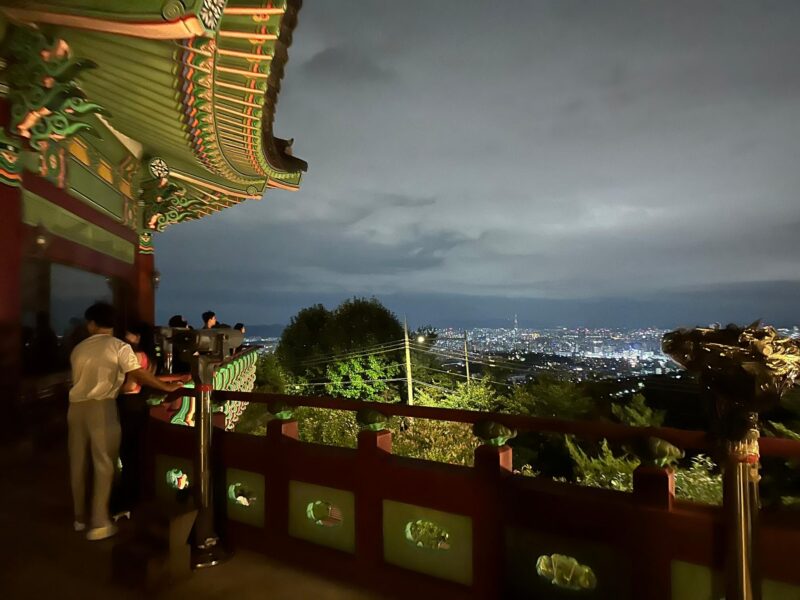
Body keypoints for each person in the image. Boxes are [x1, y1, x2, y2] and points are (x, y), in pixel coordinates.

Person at [68, 302, 182, 541]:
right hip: (102, 407)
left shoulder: (78, 349)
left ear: (91, 324)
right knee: (104, 462)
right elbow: (138, 374)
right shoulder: (118, 347)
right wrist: (165, 386)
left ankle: (80, 517)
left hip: (76, 408)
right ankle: (99, 523)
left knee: (78, 462)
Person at [112, 321, 160, 518]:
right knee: (135, 453)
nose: (126, 337)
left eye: (130, 333)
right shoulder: (149, 357)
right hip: (139, 404)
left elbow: (130, 385)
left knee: (126, 453)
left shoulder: (134, 356)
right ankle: (135, 498)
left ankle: (124, 501)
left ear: (138, 337)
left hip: (128, 405)